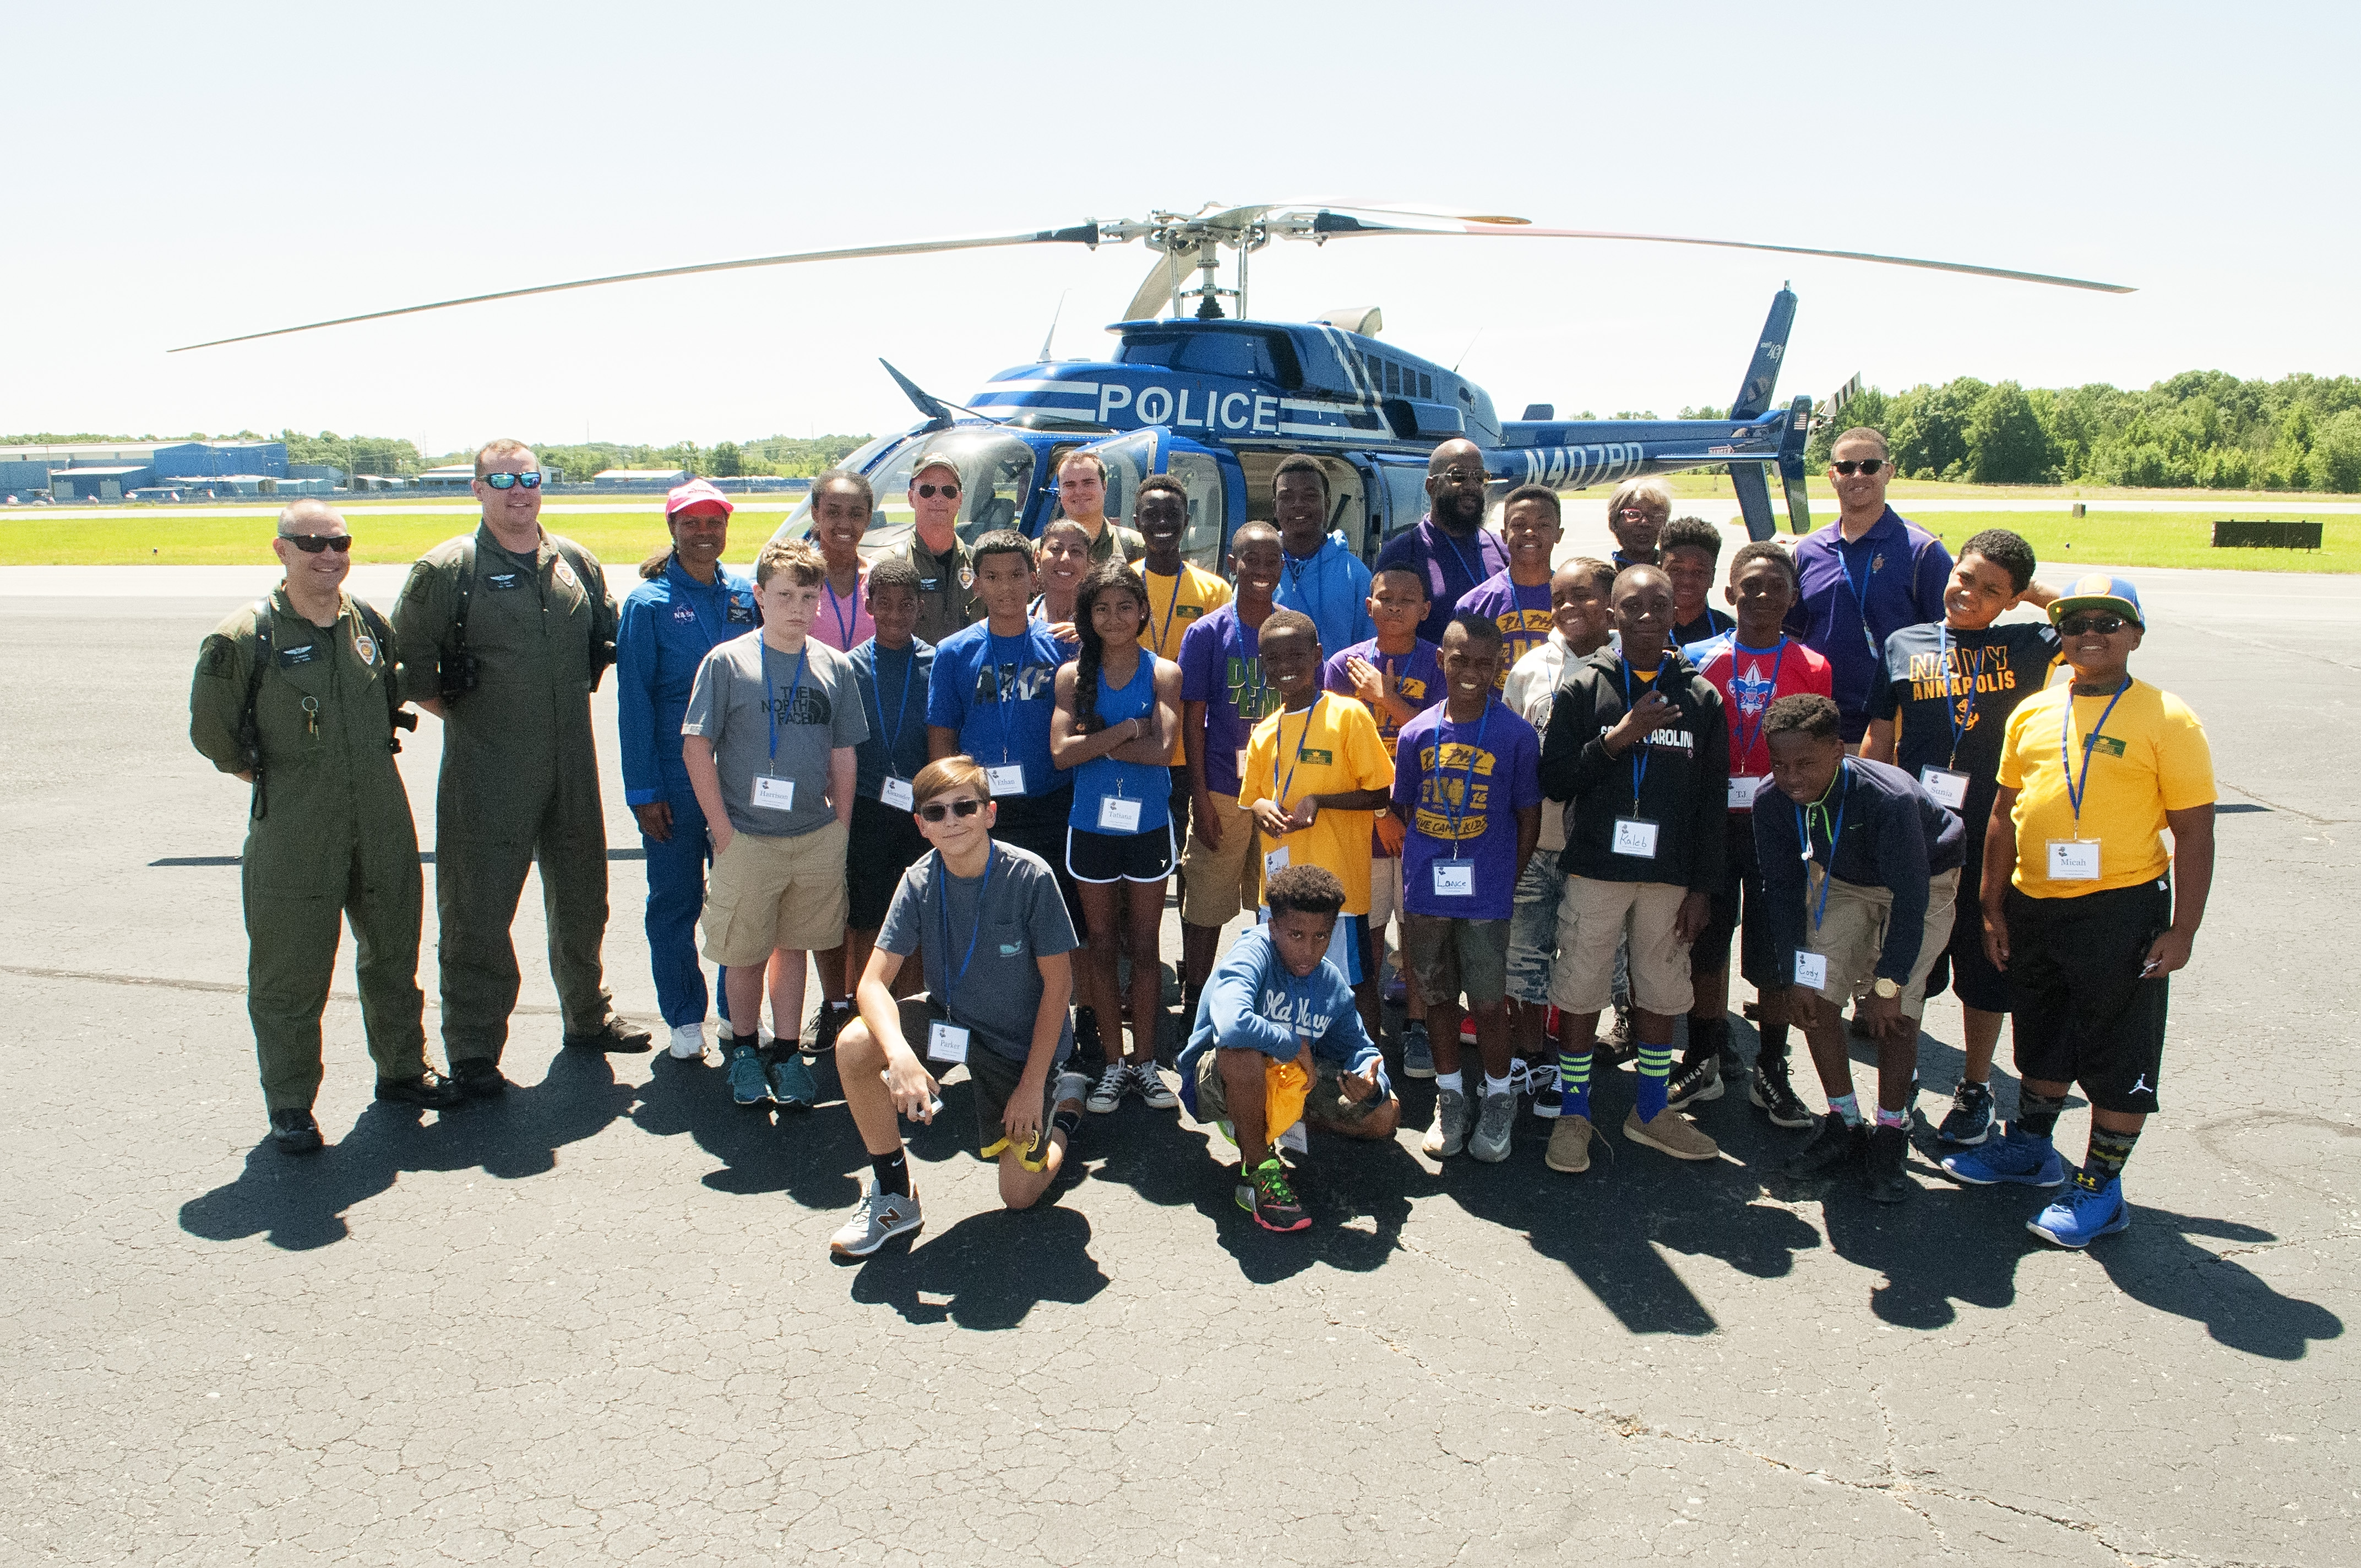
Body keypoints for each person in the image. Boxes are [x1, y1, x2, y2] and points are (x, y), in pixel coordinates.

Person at [1942, 577, 2215, 1248]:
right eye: (2074, 621)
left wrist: (2183, 929)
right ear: (2058, 633)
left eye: (2109, 621)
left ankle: (2101, 1184)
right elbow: (2004, 814)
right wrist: (1991, 903)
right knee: (2041, 1029)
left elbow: (2196, 832)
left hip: (2121, 907)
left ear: (2135, 635)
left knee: (2118, 1044)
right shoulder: (2032, 712)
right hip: (2035, 900)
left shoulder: (2166, 717)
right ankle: (2031, 1146)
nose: (2090, 631)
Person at [189, 501, 459, 1152]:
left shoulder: (367, 622)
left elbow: (388, 698)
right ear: (281, 549)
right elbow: (215, 735)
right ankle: (290, 1103)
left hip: (381, 815)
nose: (327, 554)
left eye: (338, 541)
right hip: (294, 828)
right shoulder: (243, 637)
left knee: (394, 951)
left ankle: (402, 1069)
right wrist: (278, 779)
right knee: (290, 974)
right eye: (311, 543)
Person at [391, 439, 650, 1095]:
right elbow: (413, 672)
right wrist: (488, 723)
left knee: (584, 895)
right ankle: (474, 1048)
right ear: (477, 489)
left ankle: (588, 1014)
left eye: (529, 478)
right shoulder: (447, 570)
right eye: (501, 479)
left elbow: (603, 645)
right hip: (488, 767)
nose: (518, 491)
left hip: (572, 761)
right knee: (478, 906)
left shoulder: (575, 563)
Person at [828, 756, 1092, 1256]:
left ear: (990, 813)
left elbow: (1060, 988)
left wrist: (1033, 1085)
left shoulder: (1031, 877)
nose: (951, 821)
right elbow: (870, 985)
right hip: (952, 1026)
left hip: (1021, 1049)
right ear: (921, 826)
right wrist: (901, 1057)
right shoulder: (918, 880)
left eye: (964, 807)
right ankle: (894, 1196)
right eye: (935, 812)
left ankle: (1066, 1113)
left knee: (1018, 1195)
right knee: (857, 1044)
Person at [1863, 527, 2063, 1145]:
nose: (1968, 594)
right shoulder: (1904, 643)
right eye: (1964, 577)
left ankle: (1975, 1086)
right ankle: (1906, 1069)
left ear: (2011, 598)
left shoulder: (2028, 642)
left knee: (1984, 968)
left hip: (1992, 835)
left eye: (1990, 590)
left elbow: (2087, 618)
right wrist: (1874, 814)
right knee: (1911, 962)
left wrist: (2026, 592)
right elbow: (1879, 735)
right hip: (1921, 833)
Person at [1537, 564, 1728, 1172]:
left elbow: (1710, 805)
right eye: (1632, 606)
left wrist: (1702, 888)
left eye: (1660, 605)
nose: (1647, 616)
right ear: (1611, 614)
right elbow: (1556, 778)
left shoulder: (1699, 696)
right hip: (1597, 866)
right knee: (1581, 986)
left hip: (1669, 874)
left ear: (1678, 612)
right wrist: (1617, 738)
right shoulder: (1583, 688)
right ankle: (1573, 1111)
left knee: (1662, 988)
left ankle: (1649, 1107)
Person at [1755, 695, 1965, 1201]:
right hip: (1844, 881)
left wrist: (1889, 984)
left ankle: (1892, 1129)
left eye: (1805, 763)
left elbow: (1912, 899)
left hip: (1924, 879)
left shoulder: (1886, 799)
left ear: (1837, 750)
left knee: (1897, 1012)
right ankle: (1844, 1122)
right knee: (1816, 1000)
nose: (1791, 777)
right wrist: (1794, 973)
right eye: (1779, 764)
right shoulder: (1771, 800)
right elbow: (1782, 891)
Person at [682, 538, 867, 1109]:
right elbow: (696, 746)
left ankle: (787, 1054)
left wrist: (840, 826)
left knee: (795, 948)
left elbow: (843, 753)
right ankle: (744, 1048)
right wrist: (722, 829)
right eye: (784, 595)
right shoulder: (728, 662)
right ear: (759, 596)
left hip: (813, 836)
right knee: (745, 951)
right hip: (747, 836)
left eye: (808, 597)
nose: (797, 608)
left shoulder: (833, 665)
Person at [1674, 542, 1834, 1124]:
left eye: (1775, 587)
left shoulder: (1813, 666)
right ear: (1729, 593)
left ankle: (1771, 1065)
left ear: (1793, 598)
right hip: (1714, 824)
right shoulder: (1697, 656)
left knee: (1772, 952)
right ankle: (1702, 1051)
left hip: (1779, 826)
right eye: (1751, 585)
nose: (1762, 596)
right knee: (1705, 944)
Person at [617, 478, 761, 1060]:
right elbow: (634, 703)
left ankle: (736, 1010)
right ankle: (682, 1014)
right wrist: (643, 790)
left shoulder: (744, 595)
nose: (704, 534)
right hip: (674, 779)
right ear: (673, 529)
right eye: (692, 523)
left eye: (714, 523)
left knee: (740, 900)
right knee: (674, 901)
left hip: (739, 776)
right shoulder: (646, 605)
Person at [1392, 613, 1542, 1163]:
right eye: (1460, 659)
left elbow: (1527, 817)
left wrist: (1506, 877)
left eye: (1484, 662)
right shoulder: (1415, 733)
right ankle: (1450, 1095)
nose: (1471, 671)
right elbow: (1406, 806)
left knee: (1486, 1002)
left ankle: (1499, 1097)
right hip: (1428, 891)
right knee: (1435, 998)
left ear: (1499, 665)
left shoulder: (1515, 735)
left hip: (1485, 895)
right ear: (1441, 660)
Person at [1176, 865, 1398, 1232]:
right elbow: (1232, 1023)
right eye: (1296, 934)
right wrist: (1293, 1045)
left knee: (1385, 1115)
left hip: (1287, 1083)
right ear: (1272, 926)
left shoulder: (1329, 981)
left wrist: (1370, 1083)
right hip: (1217, 1083)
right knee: (1241, 1049)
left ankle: (1280, 1125)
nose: (1308, 949)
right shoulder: (1253, 953)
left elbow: (1361, 1048)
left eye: (1321, 936)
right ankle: (1259, 1169)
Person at [1051, 561, 1183, 1114]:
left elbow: (1164, 751)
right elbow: (1060, 755)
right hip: (1091, 830)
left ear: (1143, 612)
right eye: (1101, 608)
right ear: (1087, 616)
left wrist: (1096, 741)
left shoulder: (1164, 674)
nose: (1114, 618)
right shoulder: (1069, 676)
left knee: (1146, 947)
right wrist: (1129, 728)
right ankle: (1111, 1063)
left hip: (1147, 824)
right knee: (1100, 946)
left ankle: (1146, 1063)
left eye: (1124, 607)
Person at [1241, 609, 1396, 1030]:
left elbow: (1380, 791)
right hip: (1279, 890)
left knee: (1352, 984)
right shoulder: (1264, 731)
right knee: (1283, 986)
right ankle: (1296, 1072)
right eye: (1273, 659)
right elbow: (1253, 799)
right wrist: (1259, 809)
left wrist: (1321, 801)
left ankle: (1368, 1072)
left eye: (1296, 655)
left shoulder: (1348, 715)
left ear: (1318, 657)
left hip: (1338, 888)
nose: (1285, 666)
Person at [925, 530, 1082, 935]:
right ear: (976, 584)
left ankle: (1066, 999)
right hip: (982, 808)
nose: (1005, 587)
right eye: (992, 577)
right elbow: (943, 737)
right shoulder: (954, 652)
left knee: (1057, 923)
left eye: (1015, 575)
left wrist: (1091, 648)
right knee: (992, 922)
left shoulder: (1063, 646)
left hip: (1052, 803)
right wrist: (948, 807)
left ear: (1034, 578)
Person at [1321, 566, 1441, 1057]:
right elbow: (1336, 751)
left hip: (1423, 820)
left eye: (1407, 600)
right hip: (1363, 821)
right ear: (1368, 606)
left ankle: (1416, 1026)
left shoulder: (1438, 663)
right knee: (1366, 932)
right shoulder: (1342, 665)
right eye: (1384, 598)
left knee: (1416, 932)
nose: (1395, 608)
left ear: (1425, 610)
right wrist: (1379, 813)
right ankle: (1363, 1029)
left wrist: (1385, 698)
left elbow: (1439, 739)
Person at [1505, 559, 1614, 1101]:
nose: (1570, 607)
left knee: (1585, 961)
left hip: (1595, 849)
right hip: (1533, 841)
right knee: (1525, 957)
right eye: (1560, 597)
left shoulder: (1626, 666)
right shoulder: (1528, 669)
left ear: (1610, 602)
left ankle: (1575, 1066)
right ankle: (1530, 1058)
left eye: (1584, 595)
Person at [1176, 521, 1286, 1019]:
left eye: (1271, 562)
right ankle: (1195, 996)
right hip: (1221, 788)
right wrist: (1199, 795)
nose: (1261, 571)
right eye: (1251, 561)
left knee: (1277, 902)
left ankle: (1272, 997)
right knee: (1206, 905)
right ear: (1232, 565)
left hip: (1281, 793)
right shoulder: (1206, 633)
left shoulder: (1294, 629)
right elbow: (1192, 722)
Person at [1785, 428, 1955, 744]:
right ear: (1833, 476)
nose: (1858, 475)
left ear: (1889, 472)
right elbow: (1793, 636)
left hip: (1895, 726)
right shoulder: (1807, 552)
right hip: (1819, 725)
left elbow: (1946, 641)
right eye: (1847, 467)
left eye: (1870, 466)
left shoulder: (1924, 552)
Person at [844, 558, 936, 1003]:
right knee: (866, 918)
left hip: (920, 812)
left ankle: (912, 1011)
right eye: (885, 605)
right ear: (869, 606)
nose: (895, 615)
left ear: (920, 607)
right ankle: (863, 1012)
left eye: (906, 605)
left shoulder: (935, 663)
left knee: (916, 915)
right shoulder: (848, 668)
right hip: (866, 808)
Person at [1134, 474, 1230, 847]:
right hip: (1138, 744)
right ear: (1136, 520)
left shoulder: (1214, 590)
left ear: (1187, 521)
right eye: (1151, 513)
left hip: (1193, 750)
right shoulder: (1122, 583)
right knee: (1141, 851)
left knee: (1194, 855)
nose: (1162, 523)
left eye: (1172, 514)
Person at [1374, 439, 1508, 643]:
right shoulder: (1402, 553)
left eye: (1479, 477)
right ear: (1431, 486)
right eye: (1459, 476)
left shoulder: (1502, 550)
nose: (1471, 486)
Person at [1456, 484, 1563, 690]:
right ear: (1504, 535)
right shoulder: (1474, 605)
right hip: (1495, 717)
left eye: (1543, 525)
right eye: (1520, 524)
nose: (1530, 532)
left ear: (1559, 534)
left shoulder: (1571, 600)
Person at [1270, 454, 1374, 657]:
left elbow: (1369, 651)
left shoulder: (1356, 575)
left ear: (1327, 504)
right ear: (1275, 507)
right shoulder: (1261, 569)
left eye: (1309, 496)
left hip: (1334, 688)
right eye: (1287, 497)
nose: (1297, 504)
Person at [892, 453, 983, 649]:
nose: (938, 498)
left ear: (959, 500)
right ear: (911, 497)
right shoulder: (891, 564)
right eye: (927, 490)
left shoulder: (979, 564)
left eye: (948, 491)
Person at [808, 469, 876, 654]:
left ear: (869, 517)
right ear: (816, 513)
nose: (845, 524)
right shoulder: (797, 577)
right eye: (833, 512)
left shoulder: (879, 579)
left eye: (856, 514)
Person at [1051, 447, 1145, 565]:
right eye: (1070, 485)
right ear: (1060, 492)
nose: (1079, 491)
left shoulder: (1138, 548)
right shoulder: (1039, 550)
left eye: (1088, 483)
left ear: (1104, 486)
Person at [1660, 515, 1737, 646]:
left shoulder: (1732, 633)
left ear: (1712, 577)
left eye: (1699, 572)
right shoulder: (1645, 630)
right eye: (1677, 570)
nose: (1687, 581)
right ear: (1659, 570)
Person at [1031, 516, 1091, 644]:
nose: (1065, 558)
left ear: (1088, 564)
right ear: (1037, 559)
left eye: (1076, 551)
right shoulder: (1017, 621)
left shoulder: (1101, 627)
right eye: (1056, 549)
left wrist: (1090, 637)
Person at [1603, 476, 1673, 571]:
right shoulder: (1602, 578)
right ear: (1614, 523)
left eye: (1655, 515)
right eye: (1632, 514)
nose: (1645, 523)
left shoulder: (1673, 574)